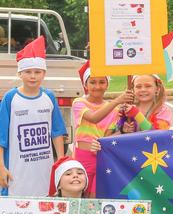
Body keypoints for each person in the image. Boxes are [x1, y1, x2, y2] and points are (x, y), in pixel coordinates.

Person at [0, 36, 67, 196]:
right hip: (16, 171)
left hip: (43, 170)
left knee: (45, 205)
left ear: (44, 74)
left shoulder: (49, 97)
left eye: (37, 72)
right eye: (28, 72)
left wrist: (60, 161)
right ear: (20, 73)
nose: (33, 76)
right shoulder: (10, 98)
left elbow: (57, 132)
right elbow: (1, 137)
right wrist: (1, 167)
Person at [73, 61, 133, 197]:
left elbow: (108, 136)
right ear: (85, 85)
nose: (97, 86)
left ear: (107, 85)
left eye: (102, 82)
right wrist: (117, 100)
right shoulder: (79, 103)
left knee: (95, 197)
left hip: (102, 157)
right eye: (92, 82)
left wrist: (123, 130)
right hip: (83, 156)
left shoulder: (114, 109)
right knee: (81, 194)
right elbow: (94, 118)